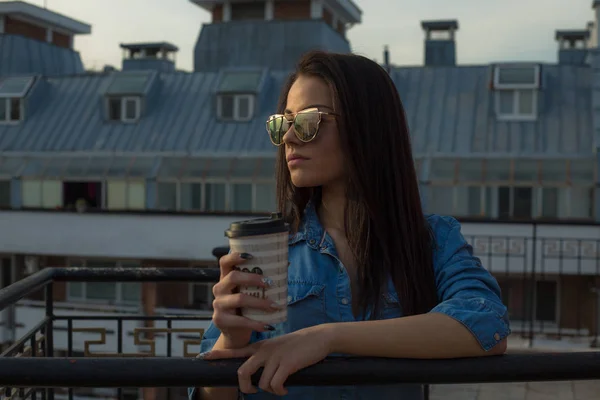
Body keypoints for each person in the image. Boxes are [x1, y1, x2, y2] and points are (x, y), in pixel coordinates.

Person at [191, 51, 510, 399]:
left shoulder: (429, 239)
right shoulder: (270, 245)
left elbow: (486, 325)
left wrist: (326, 338)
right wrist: (231, 337)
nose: (290, 139)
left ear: (367, 126)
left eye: (309, 122)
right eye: (283, 123)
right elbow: (210, 394)